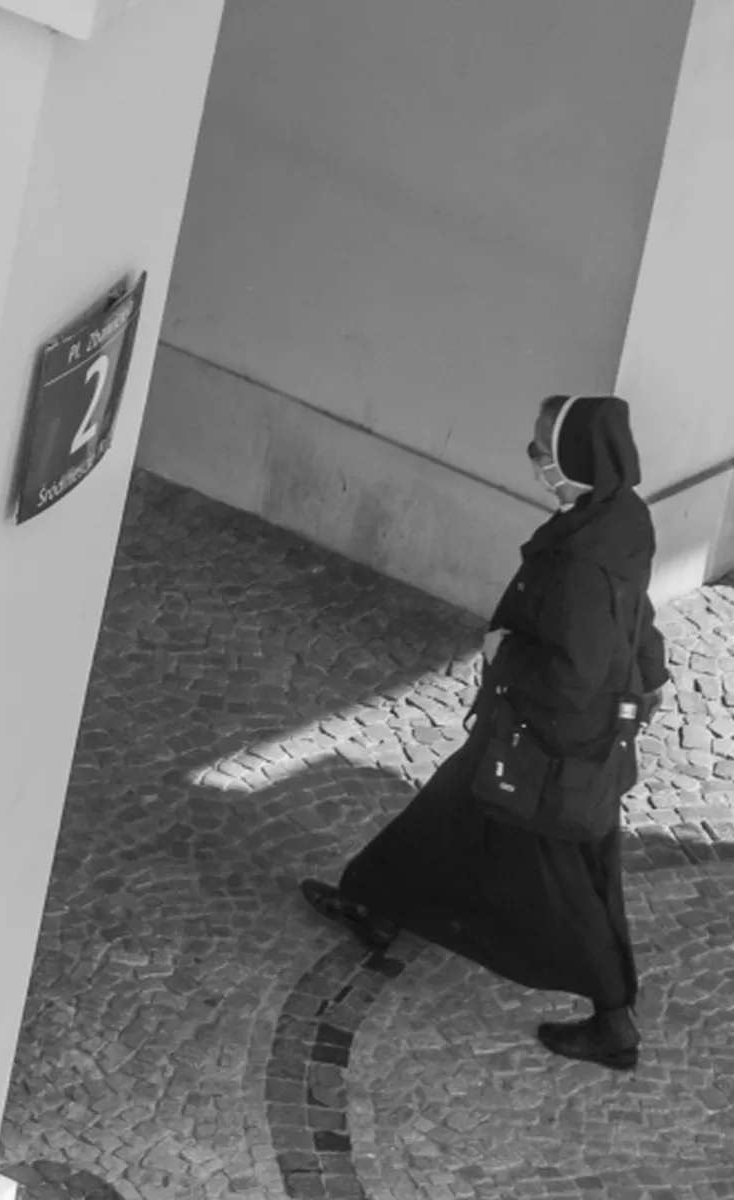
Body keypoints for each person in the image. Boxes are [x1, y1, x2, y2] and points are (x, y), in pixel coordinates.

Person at [301, 394, 668, 1070]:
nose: (534, 461)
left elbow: (576, 671)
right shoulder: (620, 517)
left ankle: (614, 1021)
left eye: (540, 450)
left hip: (552, 743)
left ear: (577, 461)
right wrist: (649, 674)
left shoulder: (580, 561)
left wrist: (507, 652)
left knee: (570, 878)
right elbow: (636, 613)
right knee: (451, 810)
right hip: (556, 737)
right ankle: (374, 903)